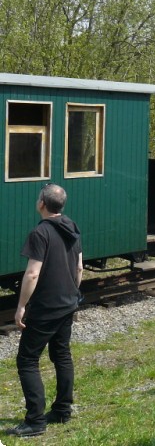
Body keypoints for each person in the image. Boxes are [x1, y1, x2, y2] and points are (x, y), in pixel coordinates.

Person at [8, 184, 83, 438]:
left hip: (45, 309)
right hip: (67, 304)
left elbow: (32, 273)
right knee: (61, 355)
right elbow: (80, 268)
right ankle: (62, 410)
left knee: (27, 361)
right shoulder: (71, 226)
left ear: (42, 203)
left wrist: (21, 306)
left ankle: (35, 421)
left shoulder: (40, 233)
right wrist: (72, 293)